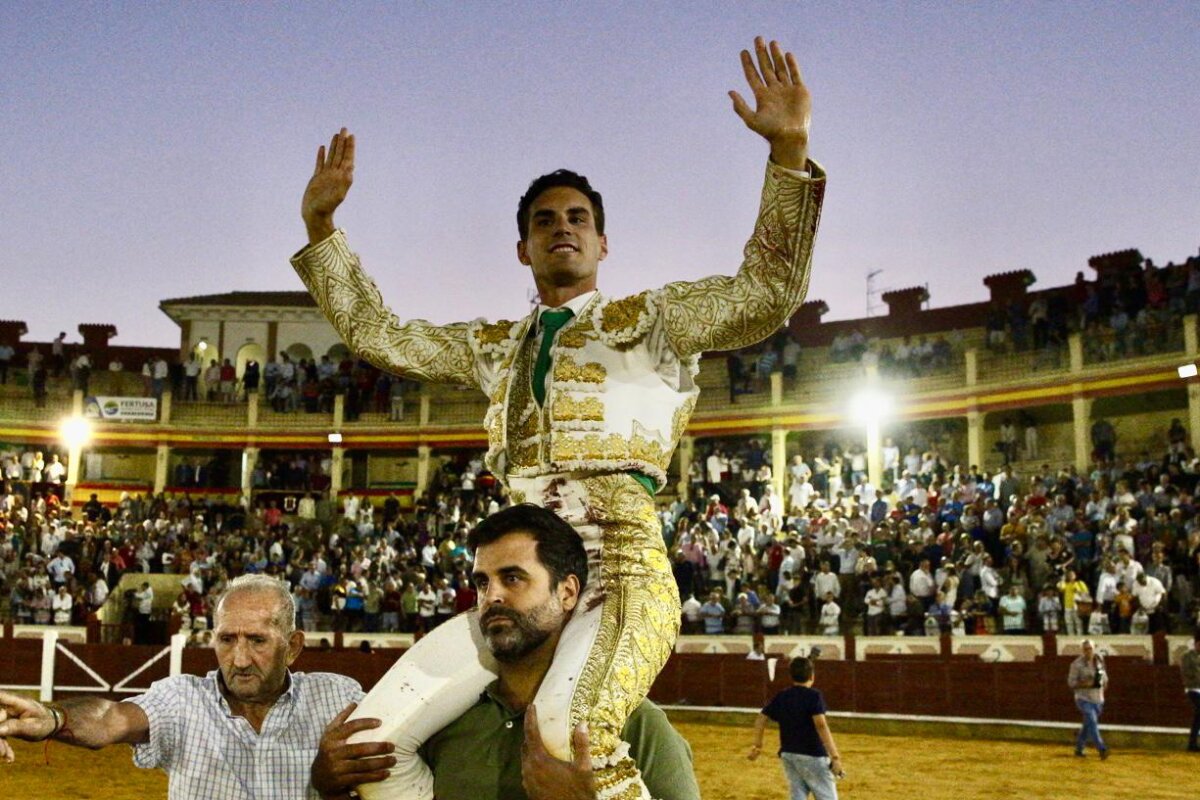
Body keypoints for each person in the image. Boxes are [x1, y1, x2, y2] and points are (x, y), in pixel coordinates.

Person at [291, 36, 823, 800]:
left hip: (622, 569)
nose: (562, 227)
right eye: (545, 221)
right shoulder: (493, 347)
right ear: (523, 248)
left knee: (569, 742)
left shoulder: (654, 320)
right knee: (373, 743)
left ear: (604, 242)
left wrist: (790, 153)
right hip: (519, 580)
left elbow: (766, 294)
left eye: (577, 217)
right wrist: (322, 231)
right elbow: (381, 335)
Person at [311, 504, 700, 800]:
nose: (491, 595)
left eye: (512, 578)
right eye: (482, 582)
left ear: (567, 592)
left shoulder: (640, 725)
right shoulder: (441, 721)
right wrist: (331, 786)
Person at [0, 574, 364, 796]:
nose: (238, 659)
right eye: (226, 640)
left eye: (257, 640)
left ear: (293, 647)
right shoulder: (182, 698)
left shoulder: (337, 697)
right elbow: (111, 717)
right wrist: (53, 718)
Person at [748, 655, 844, 800]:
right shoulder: (814, 696)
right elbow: (821, 725)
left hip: (789, 755)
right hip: (813, 755)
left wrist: (758, 745)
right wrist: (835, 757)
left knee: (797, 796)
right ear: (812, 676)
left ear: (791, 676)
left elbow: (761, 718)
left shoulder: (782, 696)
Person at [1068, 639, 1110, 759]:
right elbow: (1071, 683)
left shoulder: (1099, 662)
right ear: (1082, 651)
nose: (1088, 651)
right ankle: (1101, 748)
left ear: (1093, 648)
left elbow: (1105, 680)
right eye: (1085, 649)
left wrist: (1101, 690)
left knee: (1088, 725)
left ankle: (1078, 749)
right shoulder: (1076, 664)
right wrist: (1086, 683)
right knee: (1092, 721)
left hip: (1098, 700)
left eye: (1090, 648)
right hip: (1083, 699)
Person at [1182, 630, 1200, 752]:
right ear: (1196, 643)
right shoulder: (1187, 656)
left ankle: (1192, 743)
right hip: (1193, 688)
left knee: (1198, 715)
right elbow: (1187, 673)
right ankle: (1192, 743)